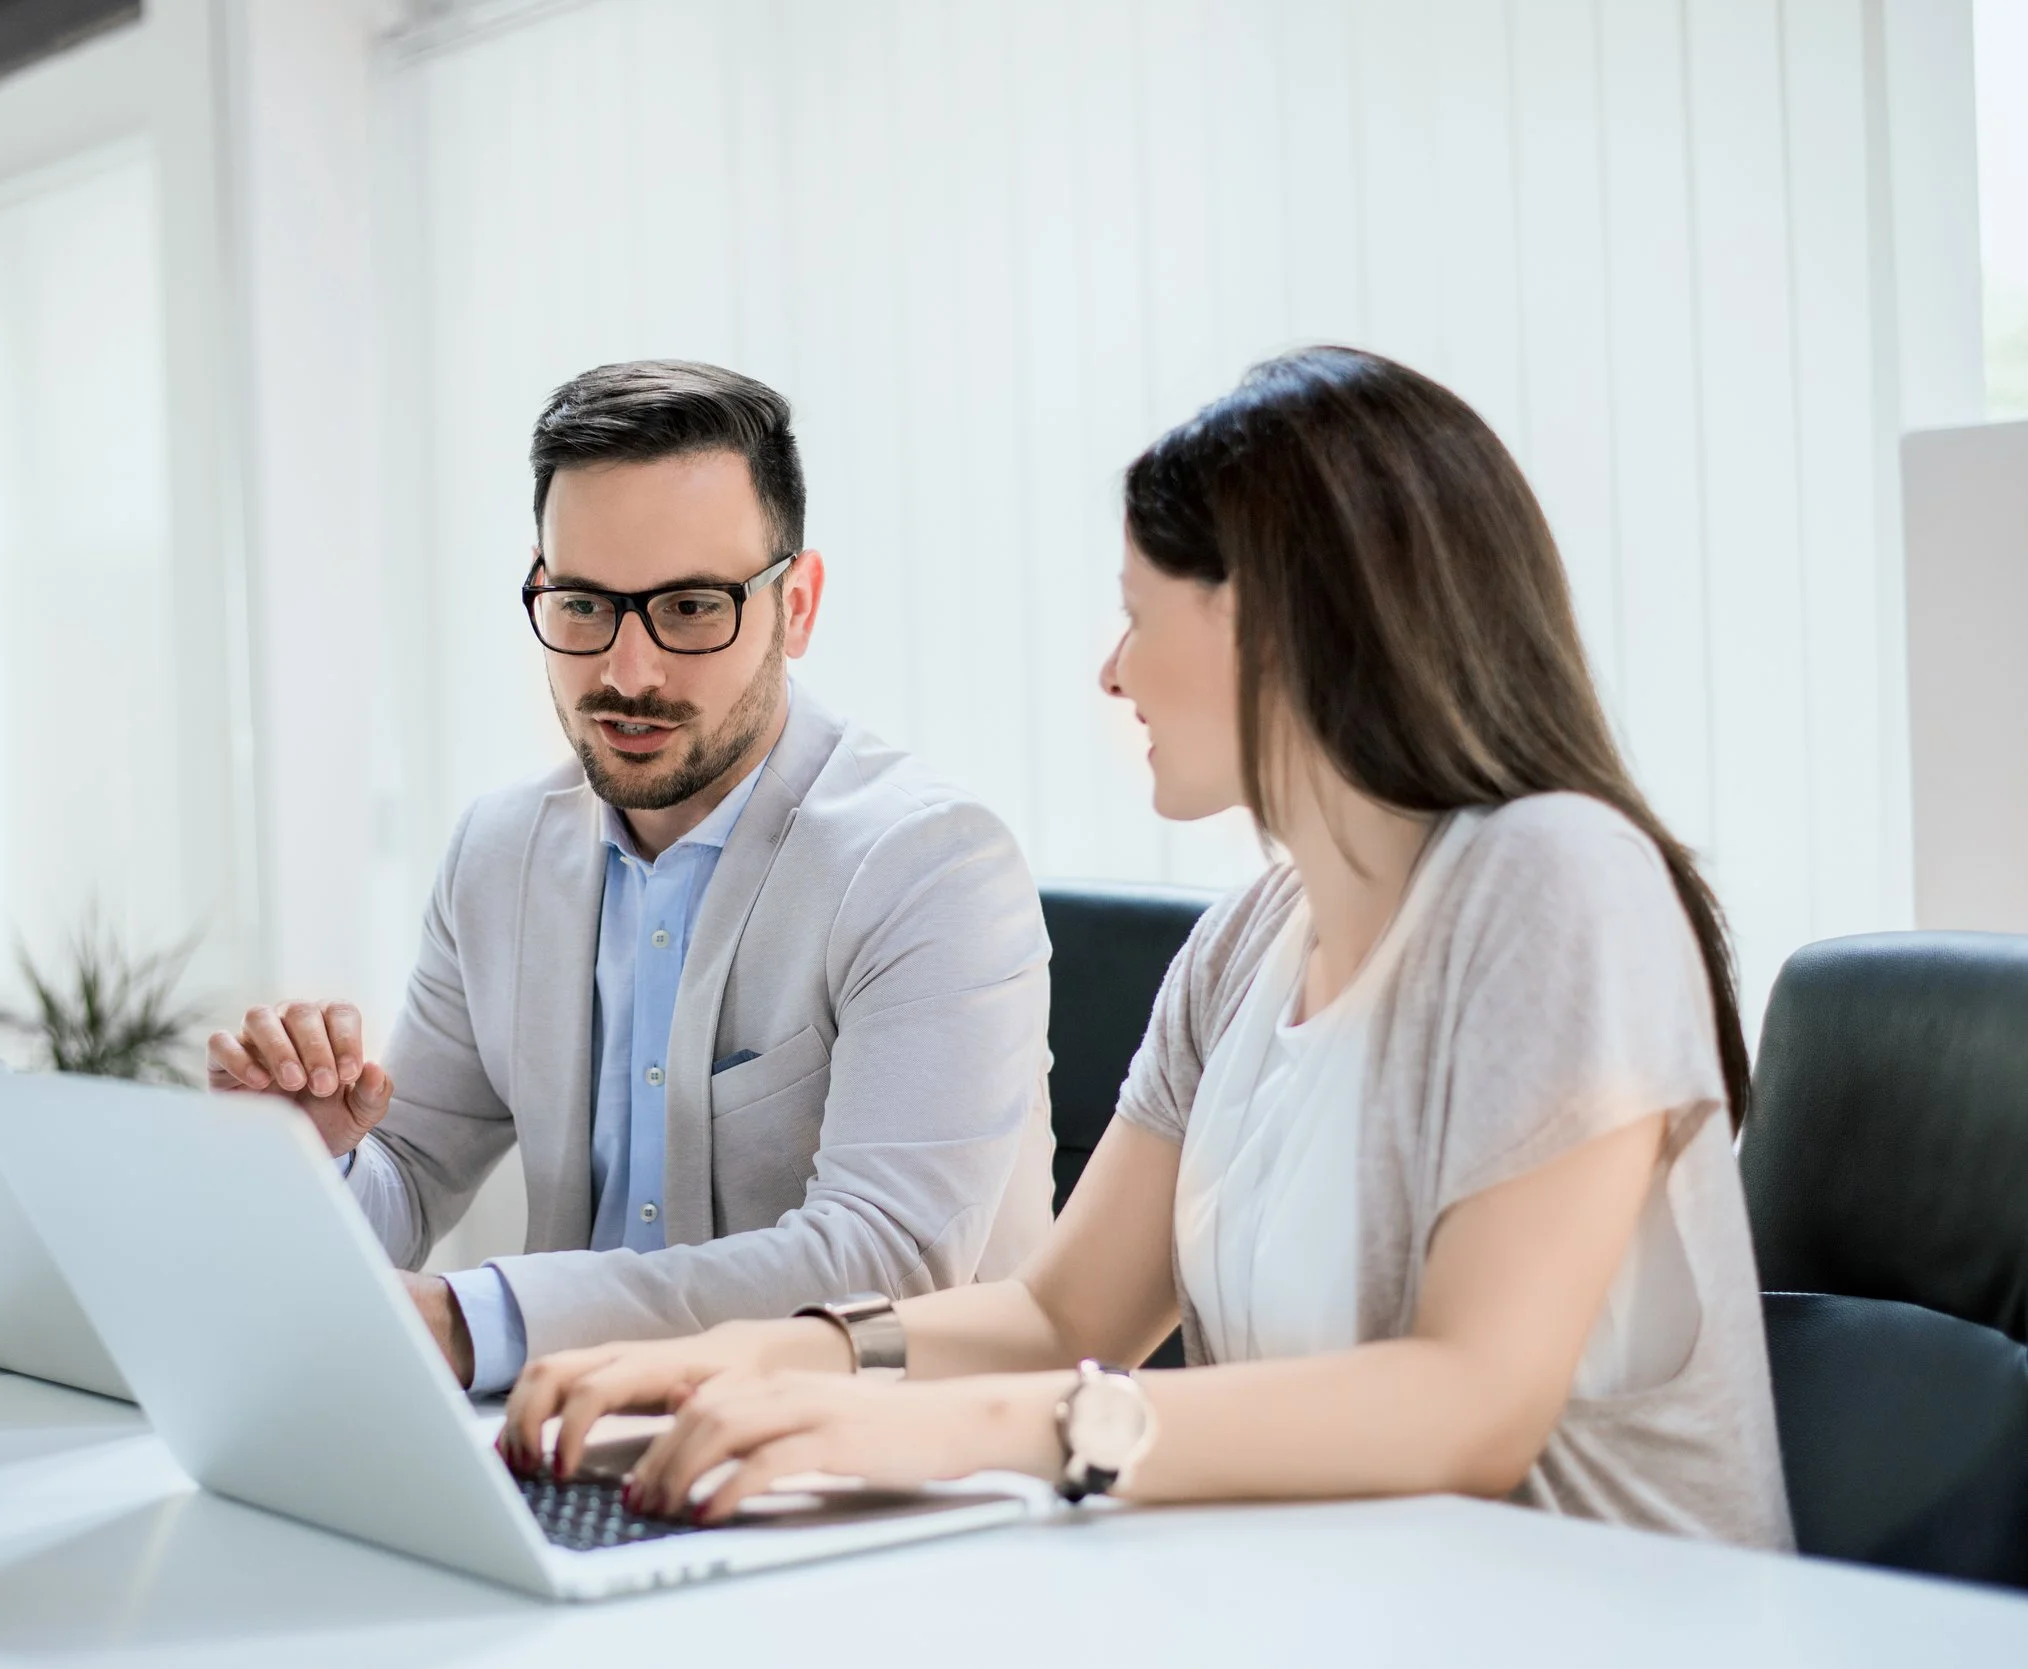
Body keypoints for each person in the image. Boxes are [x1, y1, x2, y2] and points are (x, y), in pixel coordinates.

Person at [499, 346, 1794, 1551]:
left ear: (1284, 629)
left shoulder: (1557, 877)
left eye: (1139, 612)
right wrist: (759, 1360)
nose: (1115, 672)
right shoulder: (1249, 940)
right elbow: (1063, 1316)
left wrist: (976, 1428)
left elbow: (1471, 1403)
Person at [209, 360, 1054, 1394]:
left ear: (798, 605)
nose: (628, 672)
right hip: (575, 1447)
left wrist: (479, 1323)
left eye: (693, 607)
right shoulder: (498, 852)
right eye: (583, 605)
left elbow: (885, 1266)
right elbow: (412, 1182)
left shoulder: (928, 864)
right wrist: (316, 1161)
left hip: (874, 1479)